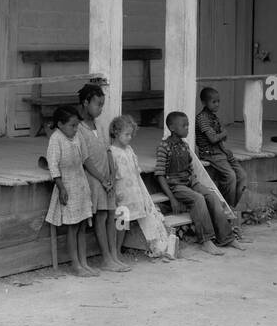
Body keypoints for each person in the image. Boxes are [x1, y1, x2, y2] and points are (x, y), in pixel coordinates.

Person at [154, 111, 245, 255]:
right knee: (198, 199)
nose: (187, 128)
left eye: (188, 125)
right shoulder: (164, 147)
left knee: (212, 196)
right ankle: (206, 240)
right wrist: (171, 198)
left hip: (190, 182)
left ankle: (227, 238)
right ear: (172, 128)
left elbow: (190, 167)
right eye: (184, 126)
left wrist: (196, 184)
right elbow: (160, 175)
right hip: (176, 186)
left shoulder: (184, 145)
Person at [108, 114, 178, 260]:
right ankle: (114, 250)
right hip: (120, 194)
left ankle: (118, 249)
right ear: (116, 132)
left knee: (125, 223)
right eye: (126, 134)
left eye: (131, 135)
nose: (129, 138)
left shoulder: (129, 150)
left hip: (132, 194)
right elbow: (112, 175)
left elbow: (135, 171)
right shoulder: (112, 152)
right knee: (120, 223)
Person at [77, 83, 130, 272]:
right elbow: (86, 160)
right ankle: (105, 258)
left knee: (111, 214)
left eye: (102, 105)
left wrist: (112, 174)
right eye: (97, 104)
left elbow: (107, 150)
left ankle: (114, 255)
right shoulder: (79, 128)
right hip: (93, 177)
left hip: (107, 176)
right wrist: (101, 178)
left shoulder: (99, 125)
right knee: (100, 216)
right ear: (85, 103)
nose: (100, 109)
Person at [44, 105, 98, 277]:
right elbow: (53, 165)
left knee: (82, 225)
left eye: (77, 125)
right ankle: (76, 265)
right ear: (60, 124)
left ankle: (84, 262)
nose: (75, 129)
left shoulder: (77, 137)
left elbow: (85, 158)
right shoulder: (56, 139)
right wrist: (61, 188)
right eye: (72, 126)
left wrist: (101, 177)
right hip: (67, 185)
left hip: (80, 184)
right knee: (73, 227)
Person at [195, 87, 249, 210]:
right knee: (230, 176)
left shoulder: (214, 118)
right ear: (204, 103)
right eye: (213, 102)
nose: (217, 104)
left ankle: (234, 206)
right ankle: (226, 207)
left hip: (220, 151)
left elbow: (222, 138)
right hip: (209, 153)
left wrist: (222, 137)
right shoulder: (201, 118)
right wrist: (223, 134)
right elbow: (214, 138)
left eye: (218, 101)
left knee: (242, 175)